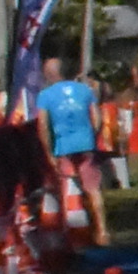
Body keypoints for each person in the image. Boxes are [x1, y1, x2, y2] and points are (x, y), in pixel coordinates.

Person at [33, 47, 107, 224]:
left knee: (70, 187)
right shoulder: (85, 90)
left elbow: (42, 125)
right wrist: (92, 136)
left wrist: (48, 152)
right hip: (86, 143)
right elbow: (97, 118)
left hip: (63, 146)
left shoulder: (45, 95)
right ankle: (102, 228)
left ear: (49, 75)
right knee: (93, 188)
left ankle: (76, 229)